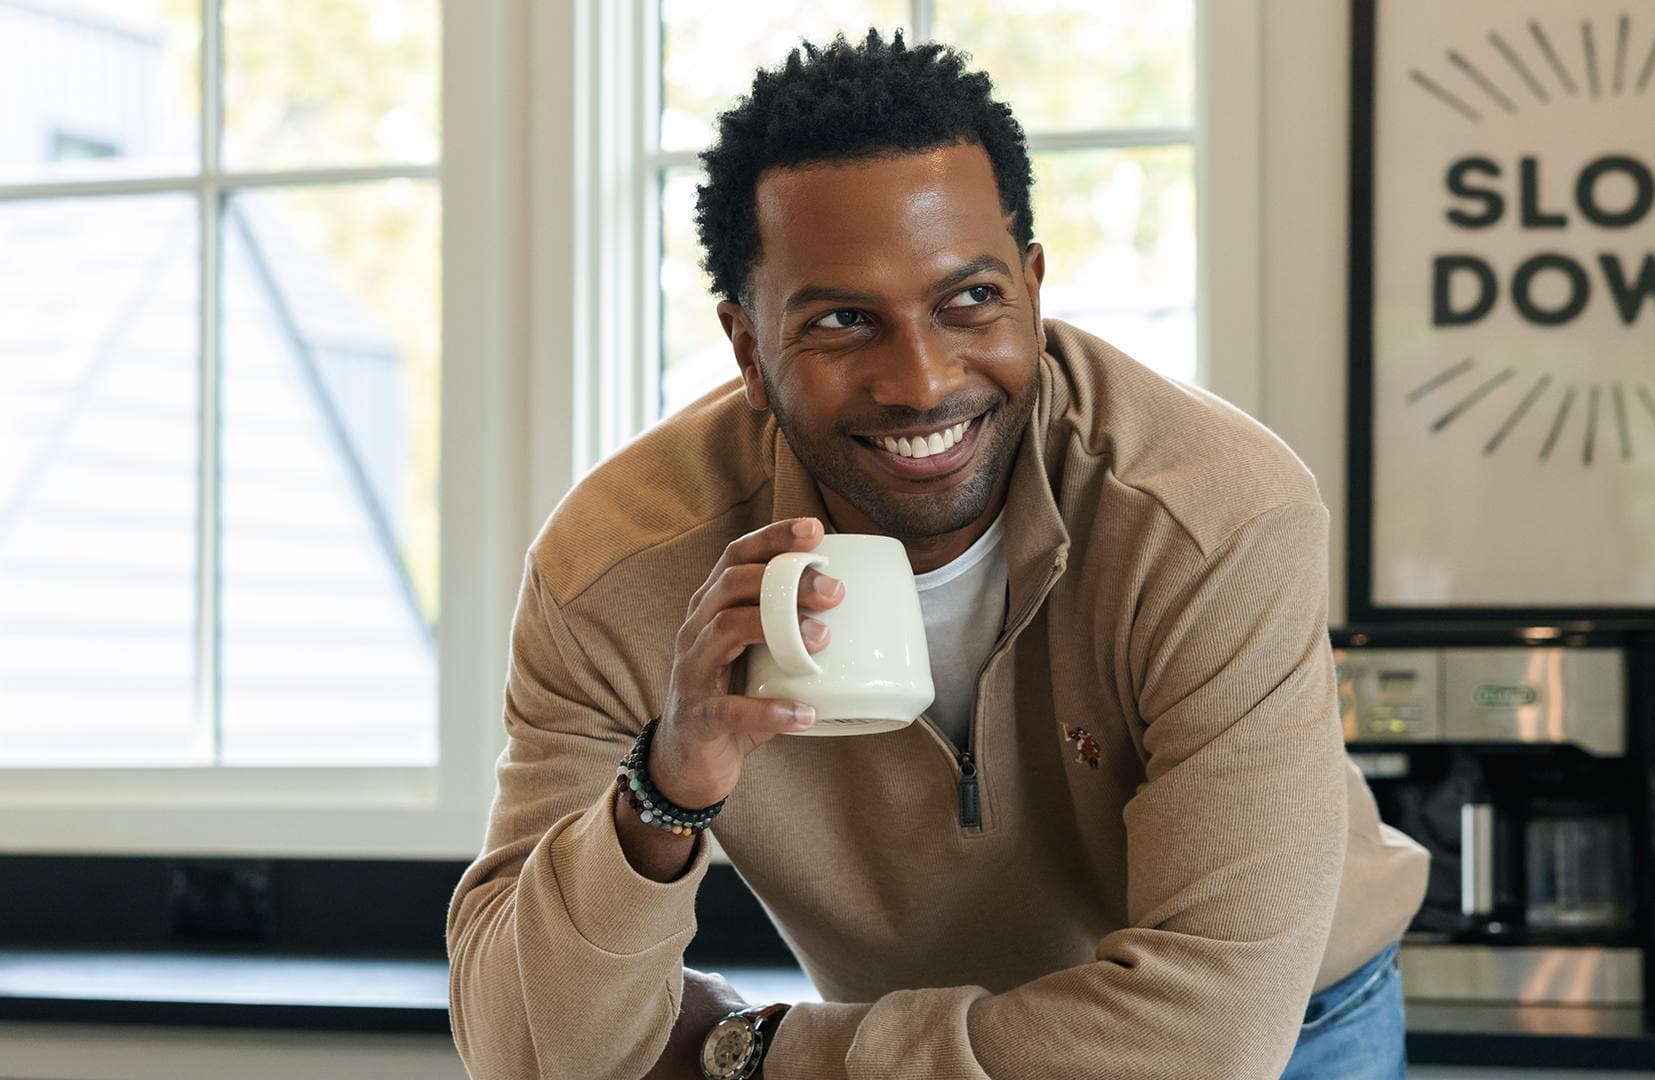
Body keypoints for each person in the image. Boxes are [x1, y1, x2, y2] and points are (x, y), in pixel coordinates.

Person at [447, 30, 1429, 1080]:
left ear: (1034, 288)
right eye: (841, 320)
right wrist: (668, 783)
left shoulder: (1213, 513)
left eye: (969, 300)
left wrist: (760, 1054)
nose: (919, 381)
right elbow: (526, 1054)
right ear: (747, 347)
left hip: (1288, 1027)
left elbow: (1207, 1041)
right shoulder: (616, 571)